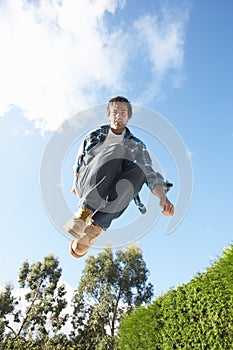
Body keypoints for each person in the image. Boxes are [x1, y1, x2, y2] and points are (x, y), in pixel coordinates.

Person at [64, 96, 174, 258]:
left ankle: (94, 230)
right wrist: (75, 182)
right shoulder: (96, 134)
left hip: (112, 195)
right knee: (117, 149)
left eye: (123, 112)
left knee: (140, 169)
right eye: (114, 112)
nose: (118, 116)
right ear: (109, 115)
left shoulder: (137, 145)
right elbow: (81, 160)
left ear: (128, 117)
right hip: (89, 183)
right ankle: (83, 214)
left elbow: (150, 174)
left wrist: (162, 198)